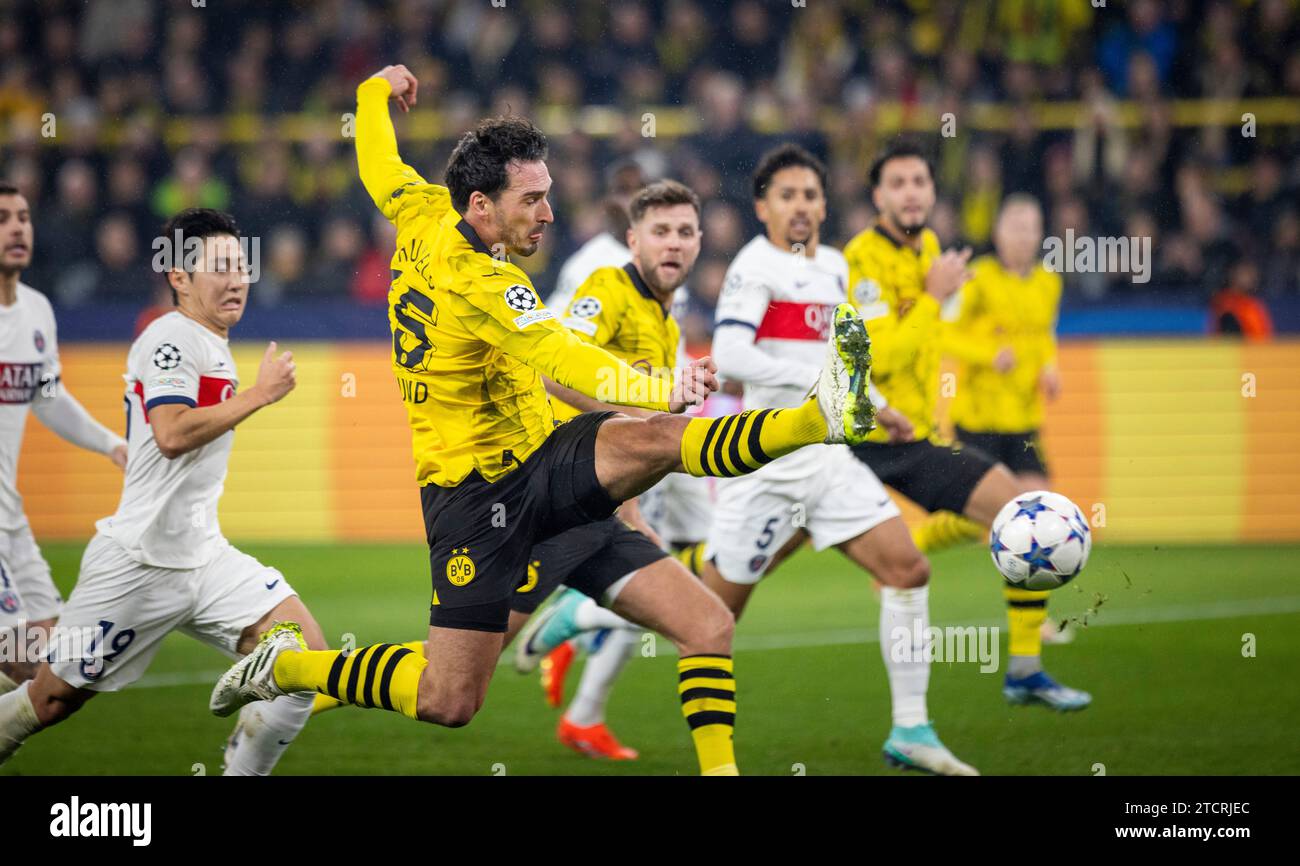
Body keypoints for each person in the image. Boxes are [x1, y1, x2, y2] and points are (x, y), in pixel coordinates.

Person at [209, 65, 875, 777]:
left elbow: (379, 158)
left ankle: (817, 417)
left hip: (548, 466)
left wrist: (374, 93)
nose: (549, 214)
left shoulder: (421, 208)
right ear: (481, 206)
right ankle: (298, 669)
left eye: (548, 195)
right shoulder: (487, 284)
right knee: (449, 696)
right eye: (533, 200)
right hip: (477, 498)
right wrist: (661, 383)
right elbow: (563, 354)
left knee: (705, 613)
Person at [0, 208, 329, 775]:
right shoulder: (170, 336)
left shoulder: (207, 339)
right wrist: (260, 395)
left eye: (240, 266)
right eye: (219, 267)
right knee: (50, 698)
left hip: (202, 556)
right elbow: (172, 433)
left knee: (305, 657)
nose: (236, 280)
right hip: (139, 561)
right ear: (179, 277)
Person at [696, 143, 976, 773]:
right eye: (788, 196)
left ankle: (912, 730)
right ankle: (602, 613)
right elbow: (731, 357)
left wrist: (876, 403)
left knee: (907, 570)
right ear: (763, 206)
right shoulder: (753, 265)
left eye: (811, 195)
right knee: (707, 619)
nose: (801, 207)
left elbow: (842, 353)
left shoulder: (830, 267)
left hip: (826, 461)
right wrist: (815, 387)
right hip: (763, 465)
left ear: (824, 204)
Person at [843, 142, 1090, 711]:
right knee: (740, 563)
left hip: (915, 438)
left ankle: (1026, 669)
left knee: (1023, 516)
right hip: (858, 437)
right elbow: (876, 357)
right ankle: (619, 592)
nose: (910, 192)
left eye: (919, 182)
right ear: (878, 195)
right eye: (897, 182)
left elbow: (930, 335)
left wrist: (1044, 364)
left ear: (932, 193)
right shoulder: (863, 258)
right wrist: (935, 301)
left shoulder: (931, 248)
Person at [0, 181, 127, 696]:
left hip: (11, 517)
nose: (16, 227)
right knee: (27, 665)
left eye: (24, 217)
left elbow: (47, 397)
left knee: (54, 658)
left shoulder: (36, 312)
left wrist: (110, 444)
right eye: (4, 217)